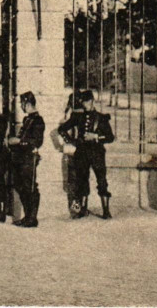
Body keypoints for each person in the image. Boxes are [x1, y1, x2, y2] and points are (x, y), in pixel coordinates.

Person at [58, 90, 115, 219]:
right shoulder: (78, 117)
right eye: (83, 102)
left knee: (102, 180)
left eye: (87, 101)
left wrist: (96, 136)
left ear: (92, 101)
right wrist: (72, 142)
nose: (85, 104)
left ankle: (106, 210)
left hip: (97, 153)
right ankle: (83, 209)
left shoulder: (101, 118)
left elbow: (110, 137)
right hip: (82, 153)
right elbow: (62, 129)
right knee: (82, 180)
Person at [8, 92, 45, 228]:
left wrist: (19, 141)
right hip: (21, 157)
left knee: (30, 187)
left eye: (22, 104)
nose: (21, 107)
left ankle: (32, 218)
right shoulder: (27, 119)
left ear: (28, 104)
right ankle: (27, 216)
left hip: (29, 157)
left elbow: (37, 141)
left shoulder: (38, 120)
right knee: (20, 185)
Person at [57, 90, 84, 218]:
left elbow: (61, 130)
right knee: (78, 181)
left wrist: (70, 142)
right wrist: (73, 141)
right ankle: (78, 209)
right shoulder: (76, 115)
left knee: (74, 181)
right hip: (78, 150)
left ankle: (76, 209)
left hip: (72, 151)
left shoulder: (69, 115)